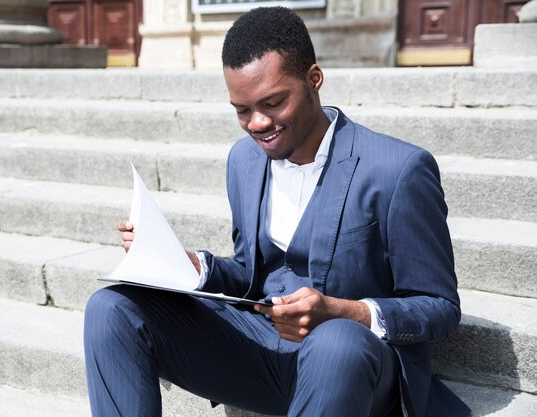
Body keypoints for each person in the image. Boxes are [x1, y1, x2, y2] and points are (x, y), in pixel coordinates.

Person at [84, 6, 470, 417]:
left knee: (336, 342)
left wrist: (345, 312)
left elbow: (439, 306)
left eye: (273, 102)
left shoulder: (397, 170)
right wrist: (191, 266)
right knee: (111, 309)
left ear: (314, 79)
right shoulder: (244, 161)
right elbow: (253, 271)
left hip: (352, 366)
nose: (257, 123)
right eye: (242, 109)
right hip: (262, 352)